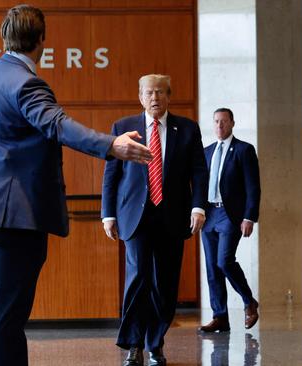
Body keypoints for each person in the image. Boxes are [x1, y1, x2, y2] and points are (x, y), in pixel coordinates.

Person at [0, 5, 152, 366]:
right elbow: (58, 125)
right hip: (16, 216)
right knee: (8, 313)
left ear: (4, 37)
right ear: (42, 40)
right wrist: (112, 144)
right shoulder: (26, 83)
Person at [101, 74, 208, 366]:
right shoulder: (124, 128)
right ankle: (134, 345)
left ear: (169, 96)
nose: (155, 98)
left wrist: (198, 207)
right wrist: (107, 213)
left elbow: (199, 173)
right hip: (135, 215)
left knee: (166, 284)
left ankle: (155, 342)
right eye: (149, 92)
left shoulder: (187, 129)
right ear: (140, 96)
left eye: (160, 92)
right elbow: (112, 175)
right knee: (138, 278)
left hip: (172, 216)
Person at [198, 107, 261, 334]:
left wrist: (249, 217)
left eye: (224, 121)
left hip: (230, 214)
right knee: (212, 268)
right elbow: (198, 185)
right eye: (216, 121)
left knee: (224, 261)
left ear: (232, 123)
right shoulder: (206, 152)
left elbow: (253, 187)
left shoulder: (244, 150)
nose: (219, 126)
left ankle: (248, 301)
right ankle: (220, 317)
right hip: (209, 215)